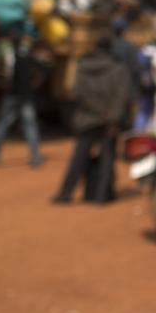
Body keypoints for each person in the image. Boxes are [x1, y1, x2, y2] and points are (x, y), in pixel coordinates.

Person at [53, 37, 131, 204]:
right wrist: (112, 118)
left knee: (78, 157)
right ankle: (102, 196)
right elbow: (121, 96)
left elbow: (79, 92)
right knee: (107, 157)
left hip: (87, 119)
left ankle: (65, 193)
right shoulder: (119, 68)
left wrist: (98, 111)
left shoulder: (82, 66)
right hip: (109, 120)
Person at [0, 34, 44, 167]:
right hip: (26, 97)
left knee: (2, 125)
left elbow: (4, 76)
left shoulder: (10, 58)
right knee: (30, 127)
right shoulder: (29, 58)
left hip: (12, 96)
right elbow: (44, 69)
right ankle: (35, 158)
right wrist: (35, 84)